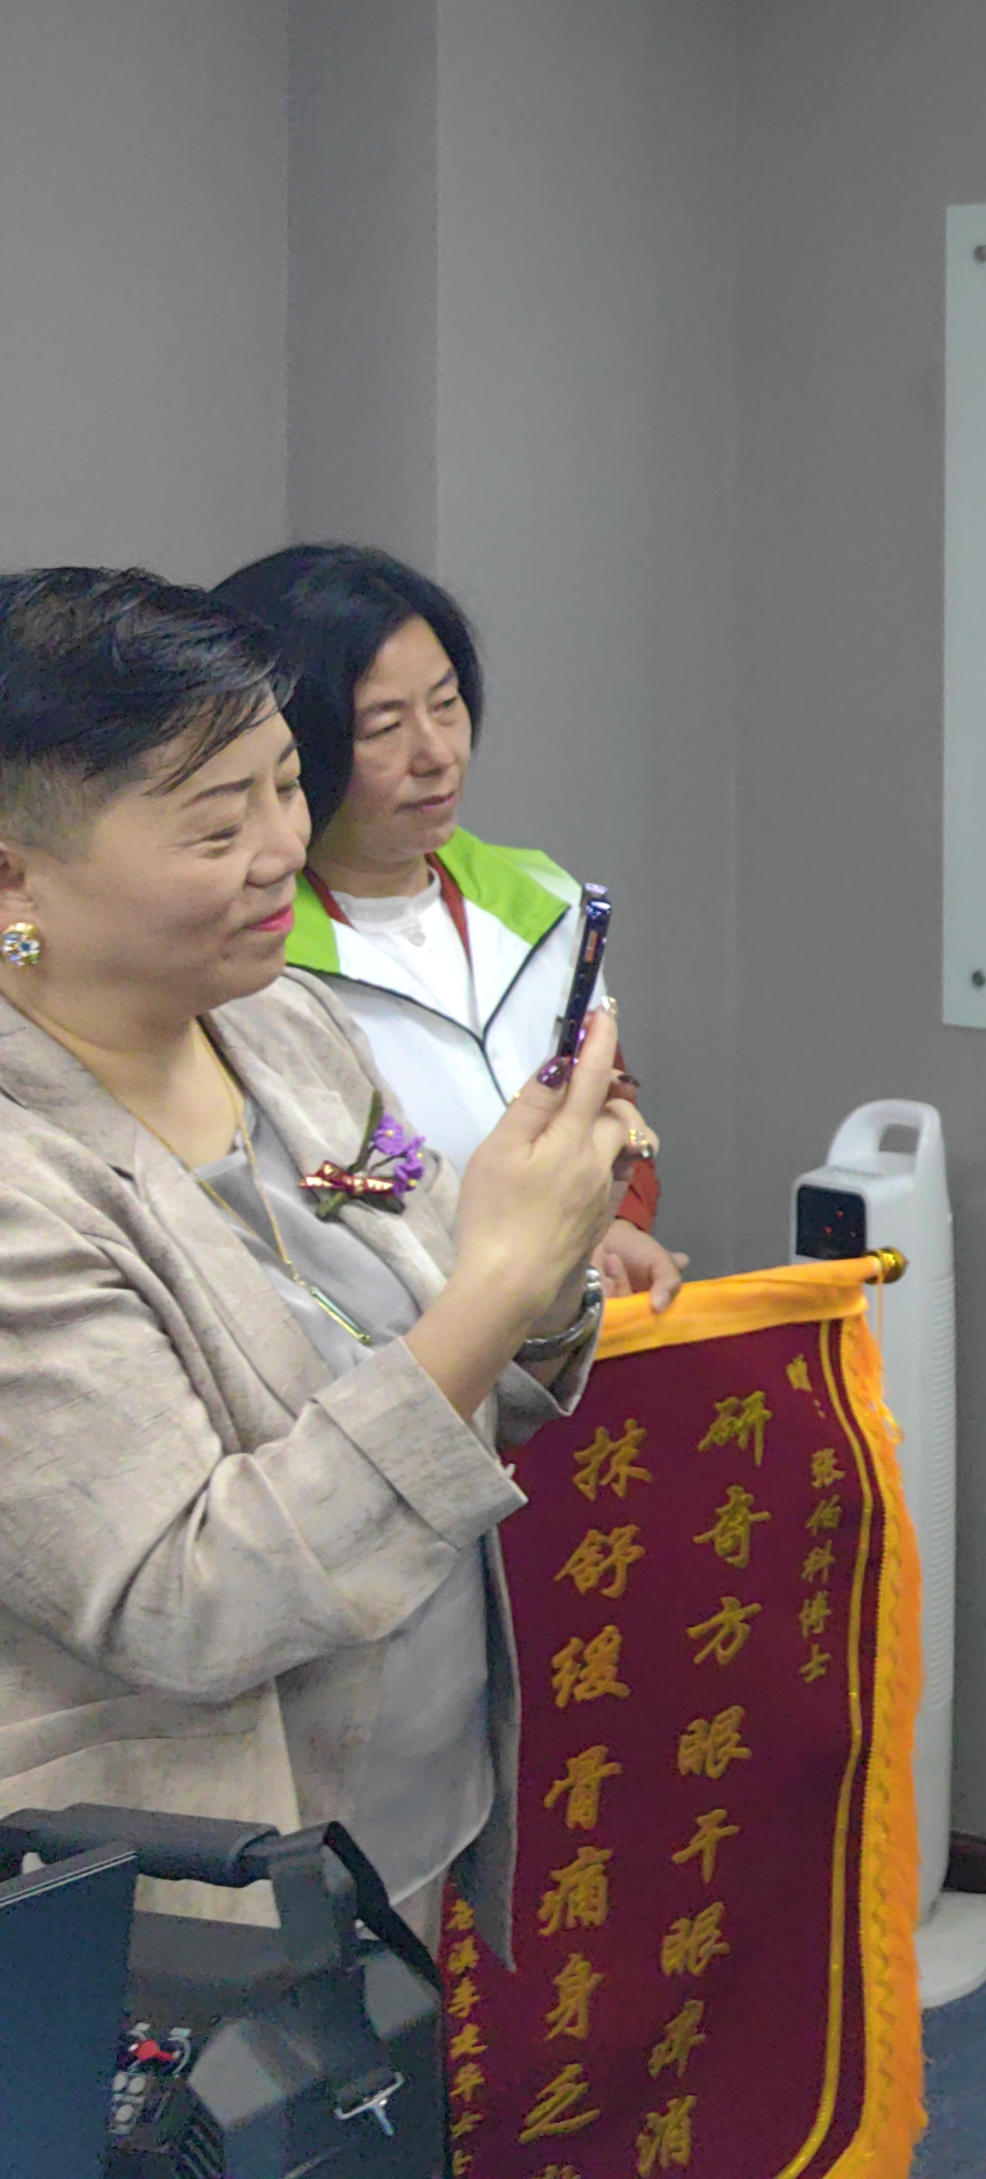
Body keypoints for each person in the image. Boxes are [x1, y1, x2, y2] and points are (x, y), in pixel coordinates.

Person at [0, 569, 637, 1942]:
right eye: (216, 824)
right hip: (193, 1889)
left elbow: (460, 1367)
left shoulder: (282, 1025)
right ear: (13, 874)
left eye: (289, 787)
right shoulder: (23, 1174)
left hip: (407, 1796)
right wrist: (496, 1282)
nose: (284, 849)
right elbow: (191, 1599)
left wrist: (544, 1253)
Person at [212, 544, 684, 1309]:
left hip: (556, 1333)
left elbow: (606, 1104)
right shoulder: (243, 962)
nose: (436, 754)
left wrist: (616, 1223)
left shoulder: (542, 900)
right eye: (383, 727)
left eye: (446, 703)